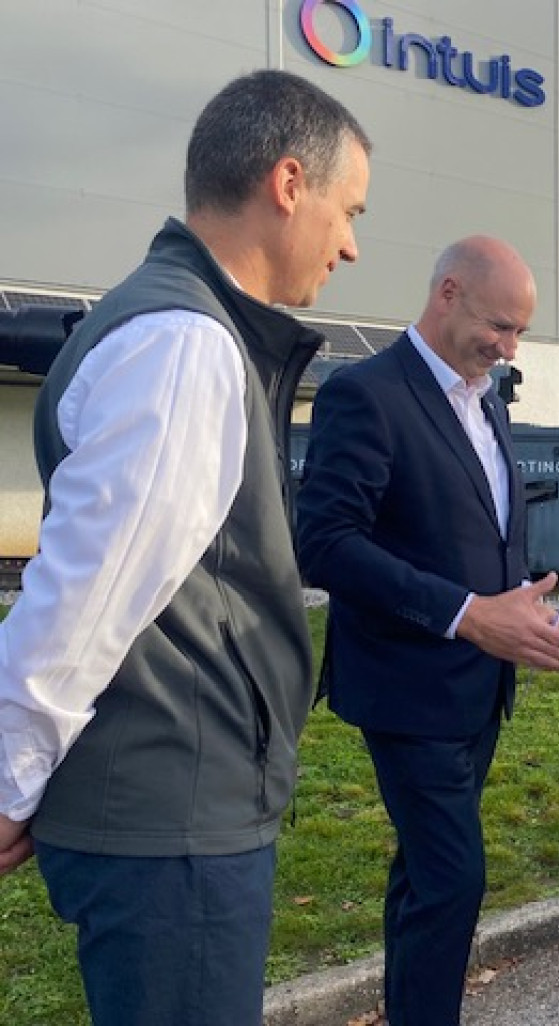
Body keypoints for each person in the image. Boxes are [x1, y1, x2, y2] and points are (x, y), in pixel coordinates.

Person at [0, 70, 370, 1025]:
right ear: (289, 185)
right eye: (348, 209)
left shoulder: (179, 325)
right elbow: (88, 589)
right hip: (171, 819)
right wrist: (9, 775)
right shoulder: (183, 342)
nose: (352, 244)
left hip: (171, 803)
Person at [295, 237, 559, 1026]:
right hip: (407, 690)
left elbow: (477, 525)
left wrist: (518, 606)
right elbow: (325, 543)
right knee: (454, 877)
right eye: (500, 326)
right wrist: (468, 613)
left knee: (425, 876)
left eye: (520, 332)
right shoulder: (365, 392)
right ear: (448, 292)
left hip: (478, 691)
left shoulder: (485, 394)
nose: (509, 347)